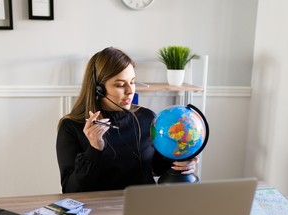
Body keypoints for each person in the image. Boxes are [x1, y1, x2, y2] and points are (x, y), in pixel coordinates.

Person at [56, 47, 198, 193]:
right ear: (98, 89)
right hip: (100, 211)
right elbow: (70, 190)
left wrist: (184, 161)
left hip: (143, 205)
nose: (130, 90)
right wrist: (94, 149)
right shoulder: (71, 127)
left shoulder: (147, 118)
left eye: (132, 82)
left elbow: (157, 167)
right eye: (120, 84)